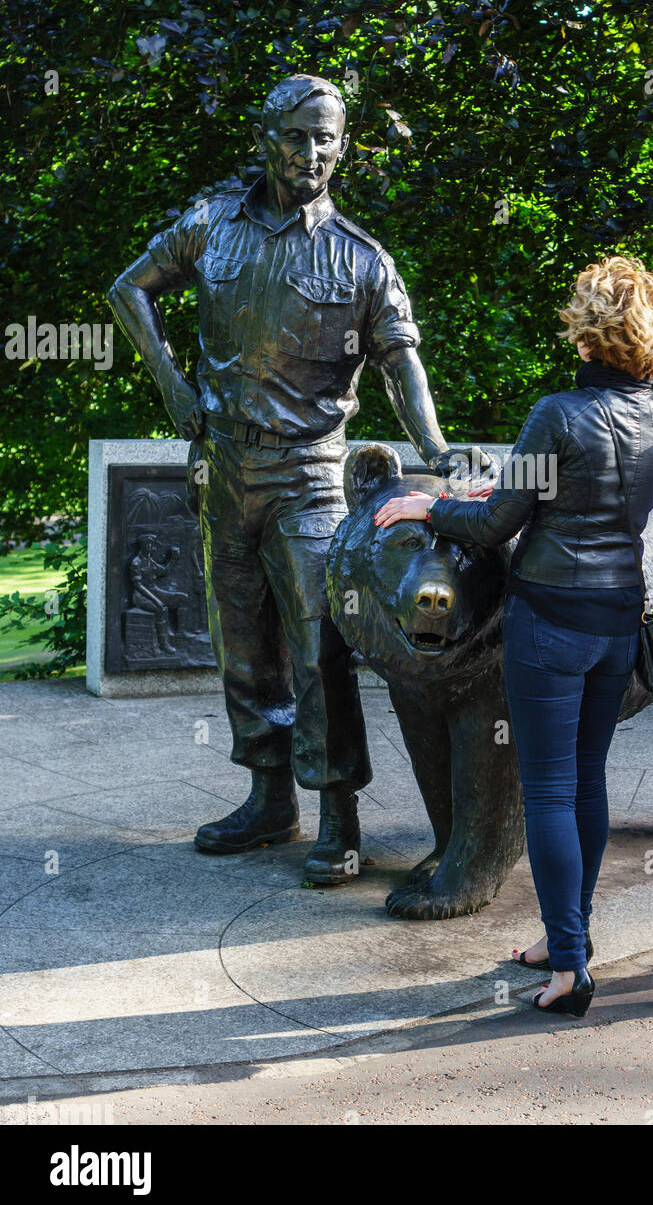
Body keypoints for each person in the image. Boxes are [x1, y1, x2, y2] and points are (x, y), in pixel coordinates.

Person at [108, 74, 482, 884]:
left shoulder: (360, 258)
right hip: (223, 467)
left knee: (318, 646)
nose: (311, 152)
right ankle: (269, 797)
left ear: (341, 147)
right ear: (264, 136)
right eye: (297, 134)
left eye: (327, 137)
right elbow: (128, 288)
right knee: (240, 644)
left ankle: (338, 816)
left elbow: (400, 362)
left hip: (310, 473)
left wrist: (438, 447)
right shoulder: (210, 227)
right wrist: (172, 385)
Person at [375, 255, 653, 1016]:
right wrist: (508, 491)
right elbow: (585, 503)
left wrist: (426, 508)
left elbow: (492, 525)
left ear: (589, 335)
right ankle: (563, 940)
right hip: (619, 616)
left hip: (549, 620)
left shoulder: (559, 414)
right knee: (586, 782)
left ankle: (570, 967)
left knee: (546, 790)